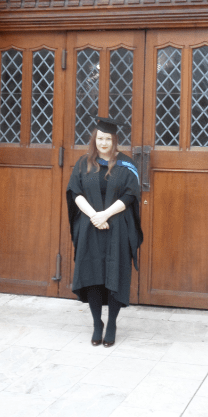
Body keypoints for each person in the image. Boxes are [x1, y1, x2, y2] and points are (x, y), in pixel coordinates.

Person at [66, 117, 143, 347]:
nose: (103, 143)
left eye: (108, 139)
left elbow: (130, 195)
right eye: (100, 138)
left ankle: (111, 324)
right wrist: (94, 216)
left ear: (115, 140)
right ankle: (97, 323)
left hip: (117, 227)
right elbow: (75, 193)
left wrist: (105, 215)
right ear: (94, 139)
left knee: (114, 275)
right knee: (93, 276)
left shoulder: (126, 164)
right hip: (90, 228)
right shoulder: (84, 163)